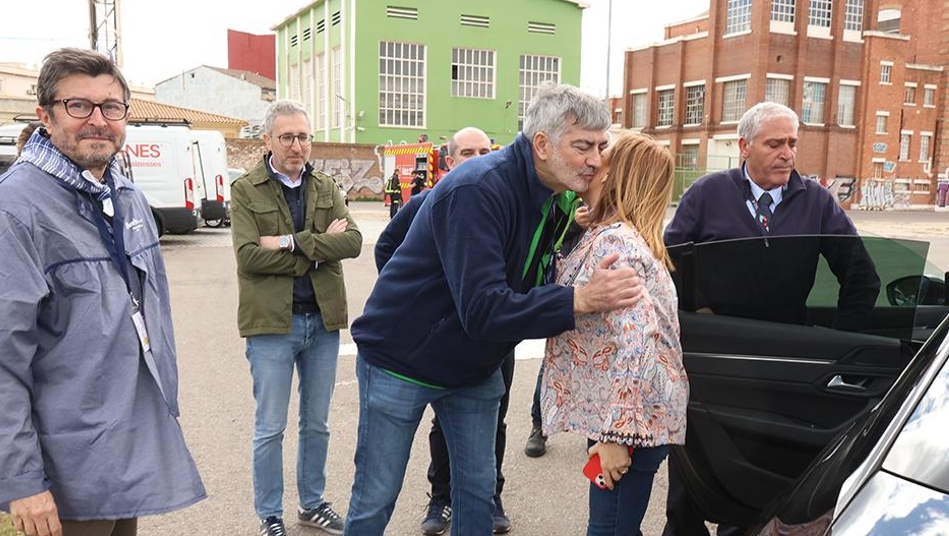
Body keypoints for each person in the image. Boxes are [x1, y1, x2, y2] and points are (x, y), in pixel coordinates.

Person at [345, 83, 643, 536]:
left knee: (478, 494)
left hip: (475, 366)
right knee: (376, 497)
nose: (597, 159)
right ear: (541, 145)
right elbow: (482, 309)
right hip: (400, 364)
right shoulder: (478, 188)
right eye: (583, 145)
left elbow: (534, 276)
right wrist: (579, 300)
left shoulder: (559, 198)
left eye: (602, 146)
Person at [0, 47, 206, 536]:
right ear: (45, 116)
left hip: (123, 448)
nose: (98, 120)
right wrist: (22, 481)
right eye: (79, 106)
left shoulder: (126, 197)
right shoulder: (14, 210)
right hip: (63, 466)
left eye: (111, 107)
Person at [661, 101, 879, 536]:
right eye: (774, 143)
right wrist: (701, 310)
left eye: (792, 143)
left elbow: (862, 276)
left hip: (782, 358)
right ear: (744, 146)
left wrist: (840, 343)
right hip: (714, 352)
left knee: (760, 468)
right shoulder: (707, 194)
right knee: (695, 461)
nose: (787, 154)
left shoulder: (815, 200)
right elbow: (669, 265)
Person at [542, 131, 688, 536]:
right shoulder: (610, 233)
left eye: (602, 153)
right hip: (626, 417)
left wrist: (615, 436)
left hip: (630, 425)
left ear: (615, 174)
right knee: (617, 526)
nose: (590, 159)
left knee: (608, 531)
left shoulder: (617, 244)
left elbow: (638, 342)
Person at [373, 127, 515, 535]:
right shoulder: (427, 202)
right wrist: (420, 308)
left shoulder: (503, 205)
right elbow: (387, 249)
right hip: (443, 339)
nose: (476, 158)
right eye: (467, 152)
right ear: (448, 161)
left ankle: (491, 495)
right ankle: (441, 498)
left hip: (492, 336)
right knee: (442, 423)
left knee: (496, 420)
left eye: (485, 151)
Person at [231, 100, 363, 536]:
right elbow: (250, 257)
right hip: (272, 324)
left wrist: (288, 243)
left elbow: (354, 242)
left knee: (317, 424)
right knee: (270, 427)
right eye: (286, 137)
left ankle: (312, 504)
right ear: (268, 139)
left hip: (322, 321)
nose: (296, 145)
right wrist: (316, 248)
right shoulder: (246, 189)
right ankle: (270, 513)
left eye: (303, 136)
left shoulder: (325, 186)